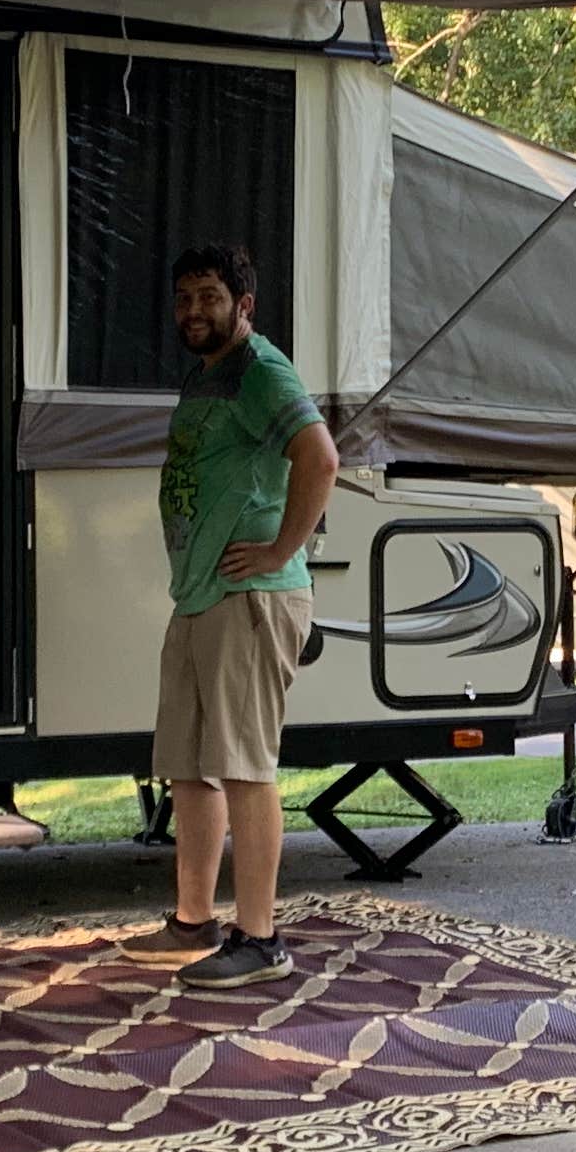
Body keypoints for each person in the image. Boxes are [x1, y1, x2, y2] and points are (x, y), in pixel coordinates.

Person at [139, 240, 336, 987]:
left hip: (250, 598)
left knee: (246, 768)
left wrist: (284, 545)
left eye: (210, 297)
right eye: (185, 298)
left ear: (243, 306)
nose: (194, 311)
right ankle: (195, 920)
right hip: (200, 595)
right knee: (191, 767)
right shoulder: (206, 379)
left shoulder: (261, 371)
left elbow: (320, 458)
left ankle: (261, 940)